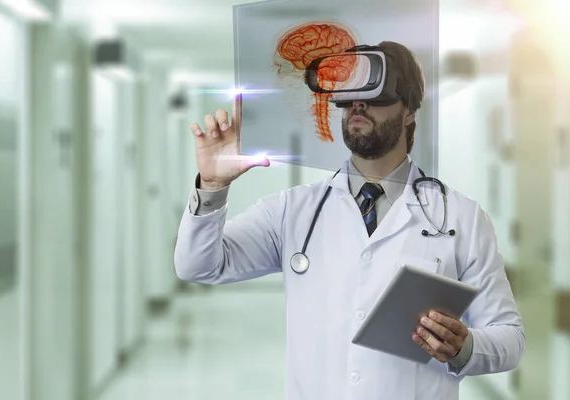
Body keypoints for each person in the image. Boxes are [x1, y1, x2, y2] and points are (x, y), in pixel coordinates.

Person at [174, 41, 525, 400]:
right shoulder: (293, 210)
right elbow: (197, 266)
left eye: (375, 93)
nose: (358, 102)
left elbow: (510, 338)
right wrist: (212, 187)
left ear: (409, 110)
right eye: (351, 91)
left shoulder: (461, 218)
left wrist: (465, 346)